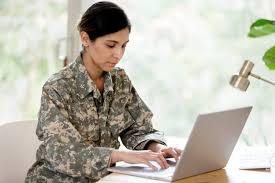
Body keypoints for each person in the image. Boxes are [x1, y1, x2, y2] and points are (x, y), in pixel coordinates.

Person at [25, 1, 181, 182]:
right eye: (111, 45)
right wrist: (120, 155)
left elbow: (137, 128)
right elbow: (63, 154)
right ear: (85, 39)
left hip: (106, 179)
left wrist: (156, 149)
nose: (118, 54)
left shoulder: (120, 80)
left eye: (124, 46)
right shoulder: (57, 87)